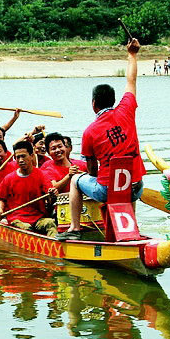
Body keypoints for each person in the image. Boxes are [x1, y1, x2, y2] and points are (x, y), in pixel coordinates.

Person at [64, 37, 146, 237]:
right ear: (114, 100)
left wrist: (94, 177)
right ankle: (131, 228)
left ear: (93, 104)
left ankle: (74, 228)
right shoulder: (127, 109)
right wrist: (132, 55)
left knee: (75, 179)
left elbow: (92, 170)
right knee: (129, 179)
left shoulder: (89, 131)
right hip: (136, 188)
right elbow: (131, 80)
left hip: (108, 191)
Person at [0, 140, 58, 237]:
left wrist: (53, 194)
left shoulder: (41, 175)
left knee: (50, 223)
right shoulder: (9, 178)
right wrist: (0, 211)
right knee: (26, 228)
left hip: (38, 218)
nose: (20, 160)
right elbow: (1, 199)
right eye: (17, 157)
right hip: (16, 218)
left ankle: (55, 247)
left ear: (32, 156)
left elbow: (50, 199)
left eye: (23, 156)